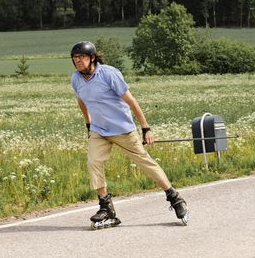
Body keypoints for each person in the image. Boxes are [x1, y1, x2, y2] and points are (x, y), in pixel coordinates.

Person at [70, 41, 188, 228]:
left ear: (92, 58)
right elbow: (82, 101)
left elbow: (131, 100)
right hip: (99, 130)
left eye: (82, 57)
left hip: (122, 129)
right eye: (75, 58)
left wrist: (145, 127)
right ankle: (106, 208)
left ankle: (175, 198)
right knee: (93, 162)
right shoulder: (76, 78)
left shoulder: (109, 74)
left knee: (145, 163)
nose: (78, 61)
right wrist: (88, 123)